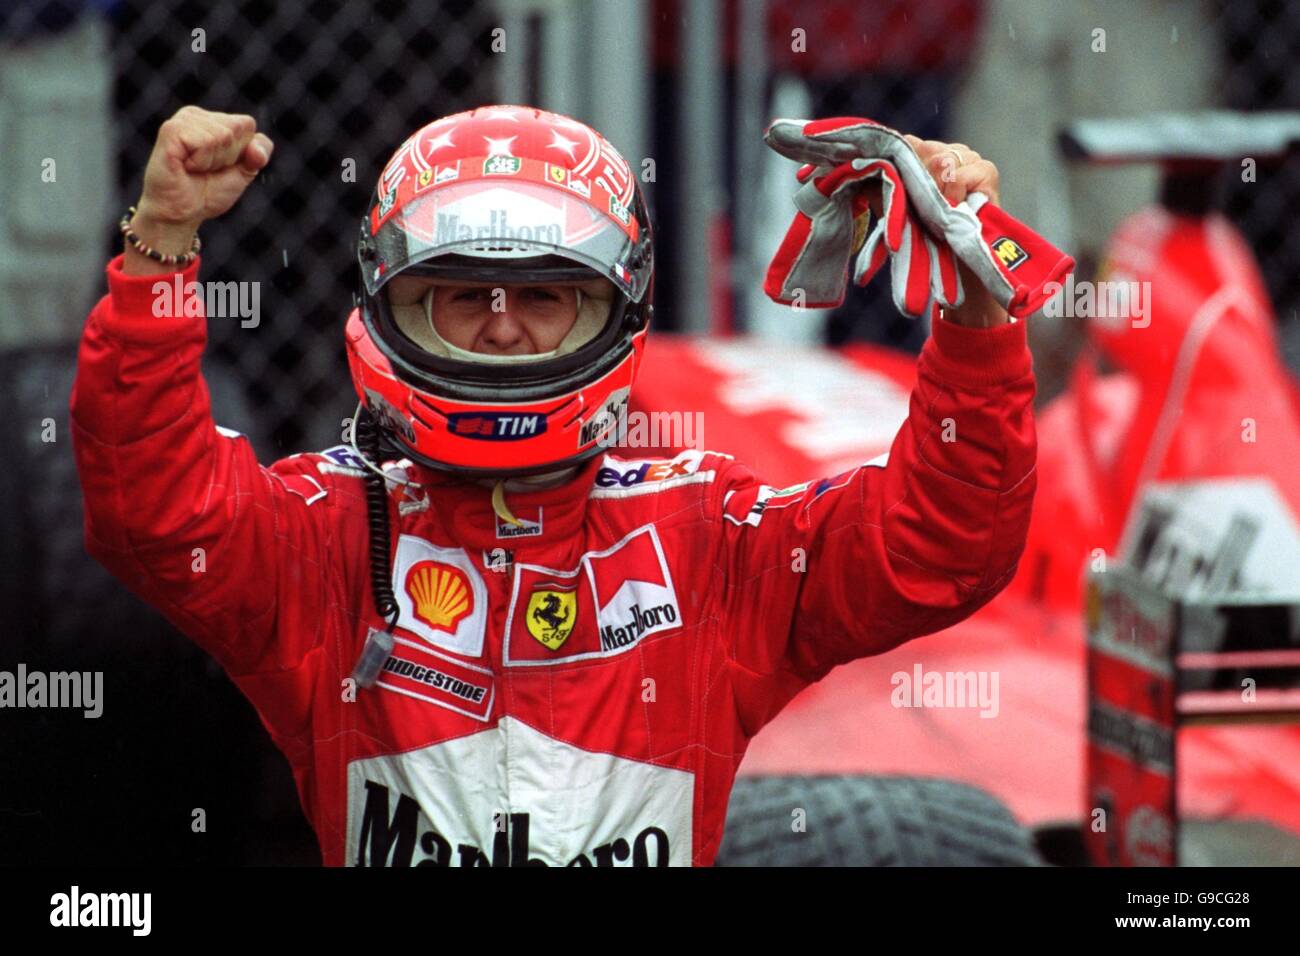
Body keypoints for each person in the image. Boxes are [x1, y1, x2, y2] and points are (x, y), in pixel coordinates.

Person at [72, 104, 1037, 866]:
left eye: (543, 297)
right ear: (391, 303)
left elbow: (938, 546)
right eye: (463, 298)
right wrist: (159, 246)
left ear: (616, 308)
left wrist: (981, 318)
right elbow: (154, 513)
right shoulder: (325, 536)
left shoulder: (708, 538)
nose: (502, 329)